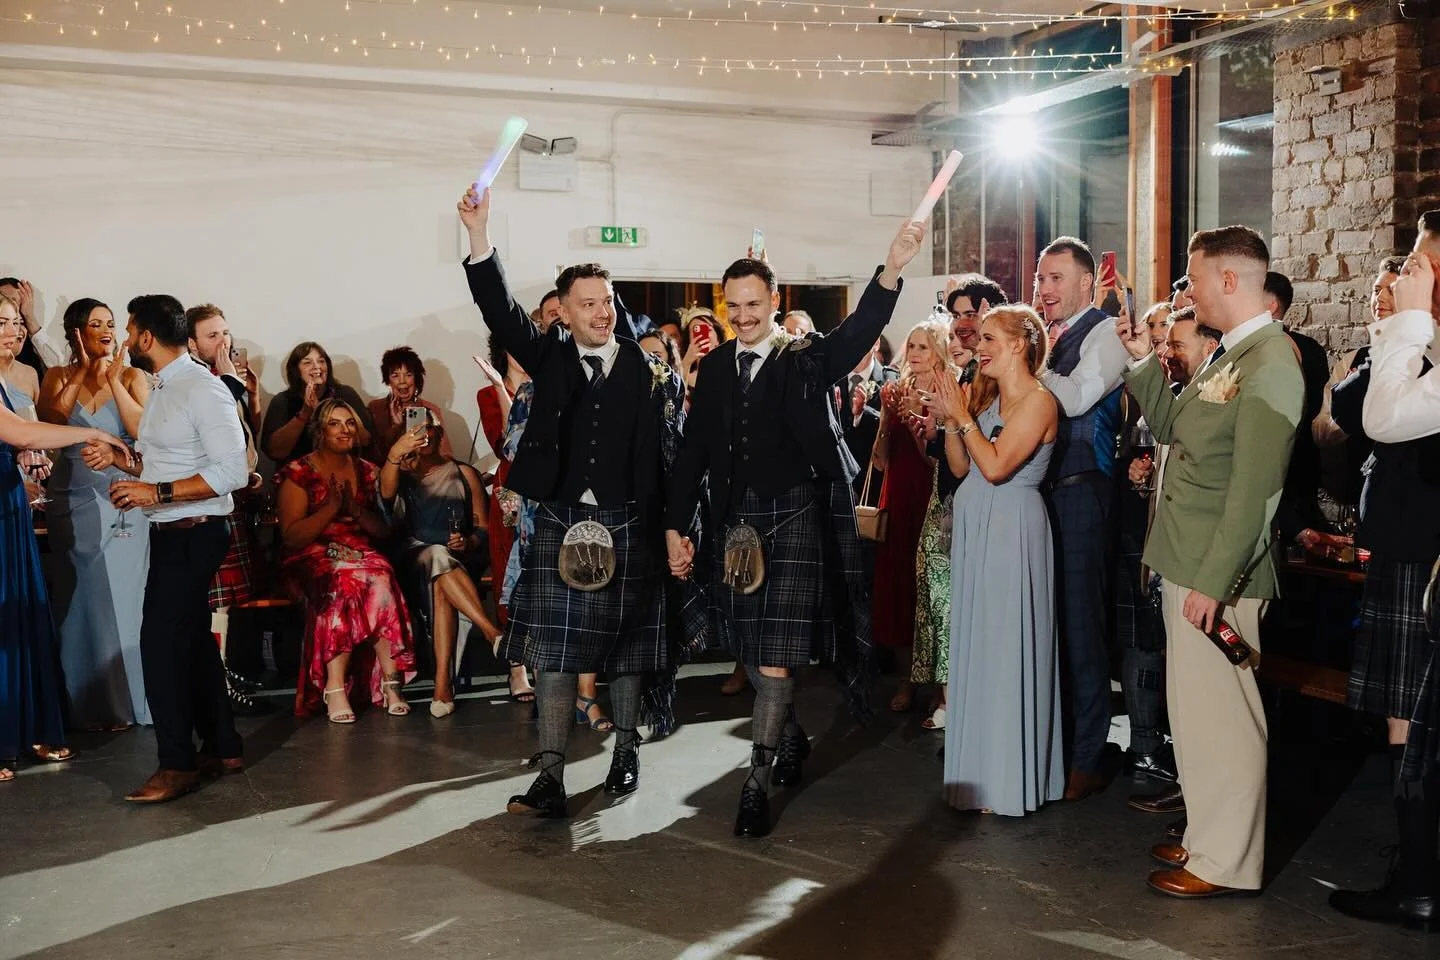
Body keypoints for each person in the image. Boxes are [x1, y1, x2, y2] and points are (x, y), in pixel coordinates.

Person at [665, 217, 925, 838]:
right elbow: (694, 452)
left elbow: (860, 328)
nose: (744, 316)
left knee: (776, 656)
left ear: (776, 301)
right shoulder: (716, 367)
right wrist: (677, 525)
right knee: (749, 646)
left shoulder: (806, 358)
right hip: (735, 524)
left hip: (797, 519)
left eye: (754, 305)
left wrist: (891, 267)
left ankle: (755, 784)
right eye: (733, 306)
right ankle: (787, 734)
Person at [459, 184, 684, 819]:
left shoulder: (648, 369)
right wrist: (479, 235)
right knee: (555, 653)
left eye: (607, 301)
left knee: (630, 650)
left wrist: (671, 528)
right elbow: (499, 308)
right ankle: (551, 774)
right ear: (563, 310)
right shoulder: (549, 355)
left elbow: (667, 462)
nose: (602, 313)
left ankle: (626, 752)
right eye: (588, 304)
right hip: (560, 517)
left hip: (628, 518)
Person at [1117, 225, 1304, 898]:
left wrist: (1215, 582)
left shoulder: (1271, 361)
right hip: (1189, 560)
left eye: (1194, 279)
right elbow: (1175, 428)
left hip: (1217, 572)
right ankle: (1206, 837)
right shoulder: (1232, 354)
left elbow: (1255, 491)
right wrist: (1142, 361)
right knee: (1195, 715)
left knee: (1226, 719)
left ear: (1229, 279)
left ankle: (1228, 861)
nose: (1188, 293)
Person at [80, 294, 254, 803]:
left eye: (129, 329)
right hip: (173, 533)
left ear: (147, 337)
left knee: (159, 646)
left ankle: (176, 764)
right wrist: (124, 462)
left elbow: (232, 471)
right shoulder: (163, 388)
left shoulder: (203, 388)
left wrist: (153, 493)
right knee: (193, 640)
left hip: (196, 532)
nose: (125, 339)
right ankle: (223, 746)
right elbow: (168, 464)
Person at [1330, 217, 1440, 930]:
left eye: (1418, 265)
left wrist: (1408, 322)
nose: (1403, 276)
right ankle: (1417, 870)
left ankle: (1419, 883)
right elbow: (1353, 406)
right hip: (1412, 554)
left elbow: (1382, 415)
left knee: (1413, 719)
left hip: (1423, 557)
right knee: (1412, 721)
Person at [924, 304, 1062, 816]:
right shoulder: (989, 398)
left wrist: (962, 418)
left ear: (1019, 344)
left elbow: (999, 467)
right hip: (977, 527)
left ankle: (1007, 780)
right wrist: (950, 421)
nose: (977, 347)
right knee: (979, 645)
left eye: (987, 338)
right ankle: (979, 773)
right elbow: (963, 468)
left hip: (1011, 530)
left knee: (1006, 645)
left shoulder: (1039, 401)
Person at [1, 293, 131, 782]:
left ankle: (25, 728)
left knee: (23, 618)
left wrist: (22, 460)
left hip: (10, 507)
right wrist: (91, 436)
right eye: (2, 322)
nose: (13, 330)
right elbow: (24, 432)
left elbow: (20, 439)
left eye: (17, 322)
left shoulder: (6, 381)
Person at [1033, 237, 1131, 800]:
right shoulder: (1050, 336)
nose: (1044, 289)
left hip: (1082, 493)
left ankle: (1087, 757)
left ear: (1087, 283)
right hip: (1041, 494)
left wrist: (1032, 362)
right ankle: (1055, 745)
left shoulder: (1107, 333)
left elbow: (1074, 400)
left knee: (1081, 628)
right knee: (1050, 626)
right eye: (1040, 279)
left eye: (1055, 278)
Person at [38, 298, 153, 731]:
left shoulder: (133, 375)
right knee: (81, 598)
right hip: (72, 499)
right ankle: (88, 706)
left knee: (127, 597)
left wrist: (113, 380)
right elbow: (50, 421)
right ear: (77, 333)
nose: (106, 331)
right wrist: (82, 373)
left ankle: (134, 702)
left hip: (124, 498)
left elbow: (142, 432)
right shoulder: (56, 375)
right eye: (95, 324)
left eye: (110, 323)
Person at [276, 397, 415, 722]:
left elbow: (383, 531)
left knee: (381, 575)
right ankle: (335, 686)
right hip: (311, 553)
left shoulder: (367, 470)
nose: (345, 430)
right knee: (342, 579)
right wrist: (330, 509)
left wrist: (354, 510)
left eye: (350, 423)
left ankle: (391, 682)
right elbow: (292, 537)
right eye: (335, 424)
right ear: (320, 431)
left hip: (358, 551)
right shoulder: (299, 473)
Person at [381, 410, 500, 718]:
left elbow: (483, 527)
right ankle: (490, 631)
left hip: (455, 561)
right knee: (436, 556)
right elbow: (385, 494)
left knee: (441, 577)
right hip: (412, 558)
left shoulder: (463, 472)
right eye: (418, 428)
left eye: (430, 427)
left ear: (440, 433)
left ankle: (442, 687)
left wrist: (468, 542)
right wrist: (396, 455)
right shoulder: (402, 474)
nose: (425, 434)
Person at [185, 304, 270, 718]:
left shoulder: (225, 379)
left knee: (229, 602)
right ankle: (215, 686)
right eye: (212, 335)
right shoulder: (196, 384)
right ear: (191, 343)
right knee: (213, 600)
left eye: (225, 333)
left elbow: (244, 440)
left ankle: (226, 678)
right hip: (207, 502)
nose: (224, 342)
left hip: (234, 499)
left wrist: (250, 394)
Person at [1113, 302, 1180, 788]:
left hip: (1177, 534)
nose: (1159, 337)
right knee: (1144, 641)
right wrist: (1134, 475)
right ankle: (1144, 745)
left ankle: (1174, 742)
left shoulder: (1190, 386)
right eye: (1154, 328)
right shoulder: (1132, 388)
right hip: (1137, 531)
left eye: (1166, 329)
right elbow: (1117, 450)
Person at [872, 319, 953, 712]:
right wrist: (888, 419)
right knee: (899, 586)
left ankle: (940, 687)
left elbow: (936, 461)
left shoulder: (945, 393)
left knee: (932, 591)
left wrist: (913, 421)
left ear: (938, 351)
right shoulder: (898, 390)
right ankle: (907, 679)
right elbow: (879, 460)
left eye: (923, 346)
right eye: (912, 345)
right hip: (899, 496)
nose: (915, 353)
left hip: (930, 497)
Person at [473, 342, 538, 703]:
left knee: (541, 572)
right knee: (508, 570)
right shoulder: (488, 394)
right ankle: (517, 666)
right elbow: (505, 444)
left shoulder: (547, 385)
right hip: (510, 490)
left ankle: (544, 660)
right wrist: (500, 386)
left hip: (543, 490)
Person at [260, 341, 372, 465]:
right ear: (295, 370)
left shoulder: (345, 394)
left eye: (321, 361)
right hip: (299, 472)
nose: (317, 366)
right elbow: (274, 452)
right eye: (307, 362)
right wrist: (305, 413)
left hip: (344, 467)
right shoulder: (282, 401)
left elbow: (366, 440)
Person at [366, 346, 453, 465]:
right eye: (395, 375)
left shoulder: (429, 409)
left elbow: (446, 455)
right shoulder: (376, 408)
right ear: (388, 380)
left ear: (416, 378)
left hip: (424, 472)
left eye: (408, 374)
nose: (402, 381)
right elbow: (372, 455)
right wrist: (395, 427)